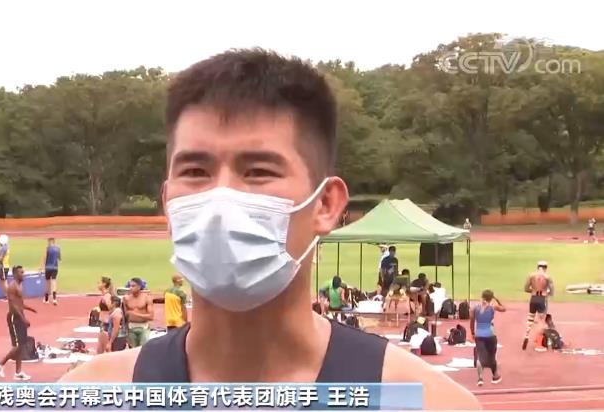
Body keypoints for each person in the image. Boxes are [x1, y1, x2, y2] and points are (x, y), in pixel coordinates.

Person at [59, 48, 478, 409]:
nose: (221, 199)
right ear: (168, 204)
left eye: (258, 171)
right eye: (196, 171)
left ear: (326, 205)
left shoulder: (428, 403)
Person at [0, 266, 38, 381]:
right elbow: (13, 305)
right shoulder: (12, 287)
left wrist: (30, 309)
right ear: (15, 274)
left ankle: (18, 372)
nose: (23, 274)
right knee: (17, 345)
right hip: (14, 318)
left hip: (20, 316)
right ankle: (0, 364)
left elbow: (20, 303)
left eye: (23, 272)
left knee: (21, 346)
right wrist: (23, 319)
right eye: (21, 272)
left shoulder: (20, 285)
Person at [470, 290, 505, 386]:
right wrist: (497, 299)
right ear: (491, 298)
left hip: (479, 335)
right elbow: (504, 308)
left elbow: (472, 322)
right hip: (490, 335)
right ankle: (495, 376)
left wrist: (472, 332)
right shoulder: (493, 307)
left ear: (482, 297)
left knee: (480, 357)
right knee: (492, 356)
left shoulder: (475, 308)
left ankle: (480, 378)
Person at [523, 261, 554, 351]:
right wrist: (546, 293)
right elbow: (551, 291)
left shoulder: (531, 275)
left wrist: (533, 291)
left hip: (533, 298)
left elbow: (526, 288)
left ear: (538, 267)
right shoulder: (547, 277)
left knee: (530, 319)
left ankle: (527, 335)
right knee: (541, 322)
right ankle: (538, 344)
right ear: (545, 268)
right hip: (542, 299)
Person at [124, 277, 153, 349]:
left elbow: (151, 316)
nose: (130, 288)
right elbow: (125, 316)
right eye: (130, 286)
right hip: (131, 328)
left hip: (143, 327)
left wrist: (135, 314)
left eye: (133, 286)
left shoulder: (146, 298)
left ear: (139, 287)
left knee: (142, 349)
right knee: (132, 350)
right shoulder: (126, 299)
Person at [96, 276, 114, 354]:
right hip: (104, 324)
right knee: (101, 347)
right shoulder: (105, 295)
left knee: (104, 348)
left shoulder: (107, 296)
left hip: (106, 324)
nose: (98, 284)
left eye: (99, 283)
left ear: (104, 284)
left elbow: (111, 309)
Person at [42, 238, 62, 305]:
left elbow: (45, 258)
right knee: (54, 282)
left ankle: (46, 299)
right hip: (55, 267)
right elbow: (59, 258)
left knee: (48, 283)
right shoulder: (58, 248)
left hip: (48, 267)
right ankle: (54, 299)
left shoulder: (47, 248)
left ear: (50, 242)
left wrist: (41, 267)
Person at [0, 235, 10, 299]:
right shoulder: (5, 247)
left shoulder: (4, 248)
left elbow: (0, 258)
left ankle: (9, 295)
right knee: (1, 281)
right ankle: (6, 295)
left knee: (4, 281)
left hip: (3, 267)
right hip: (3, 266)